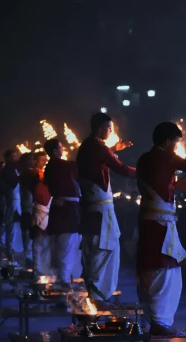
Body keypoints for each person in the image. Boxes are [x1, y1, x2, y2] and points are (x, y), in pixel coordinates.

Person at [136, 122, 186, 336]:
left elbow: (156, 184)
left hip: (148, 222)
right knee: (165, 269)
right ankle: (160, 323)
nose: (176, 146)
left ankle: (156, 321)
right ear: (168, 140)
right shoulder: (168, 157)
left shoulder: (144, 158)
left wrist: (173, 185)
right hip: (161, 224)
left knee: (153, 267)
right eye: (175, 142)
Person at [75, 112, 136, 303]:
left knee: (97, 249)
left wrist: (113, 148)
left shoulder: (88, 146)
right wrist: (146, 172)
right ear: (100, 128)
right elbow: (122, 169)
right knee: (104, 249)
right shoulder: (98, 148)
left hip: (93, 209)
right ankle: (99, 295)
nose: (111, 131)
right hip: (100, 210)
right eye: (109, 128)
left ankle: (97, 293)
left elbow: (101, 158)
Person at [43, 138, 82, 283]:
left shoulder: (53, 166)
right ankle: (64, 284)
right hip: (66, 214)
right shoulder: (57, 165)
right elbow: (78, 165)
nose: (62, 149)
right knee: (66, 250)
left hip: (64, 211)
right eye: (60, 147)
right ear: (55, 151)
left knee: (64, 249)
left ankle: (64, 281)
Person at [19, 152, 43, 267]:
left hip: (30, 206)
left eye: (33, 159)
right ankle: (29, 259)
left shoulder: (30, 173)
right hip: (27, 206)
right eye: (30, 160)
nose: (33, 162)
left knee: (29, 233)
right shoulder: (28, 174)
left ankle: (30, 258)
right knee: (28, 233)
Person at [0, 149, 24, 258]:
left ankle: (14, 250)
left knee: (15, 230)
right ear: (8, 158)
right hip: (12, 202)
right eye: (14, 156)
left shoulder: (14, 168)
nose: (16, 158)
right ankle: (9, 251)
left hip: (17, 203)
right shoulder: (7, 170)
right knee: (11, 229)